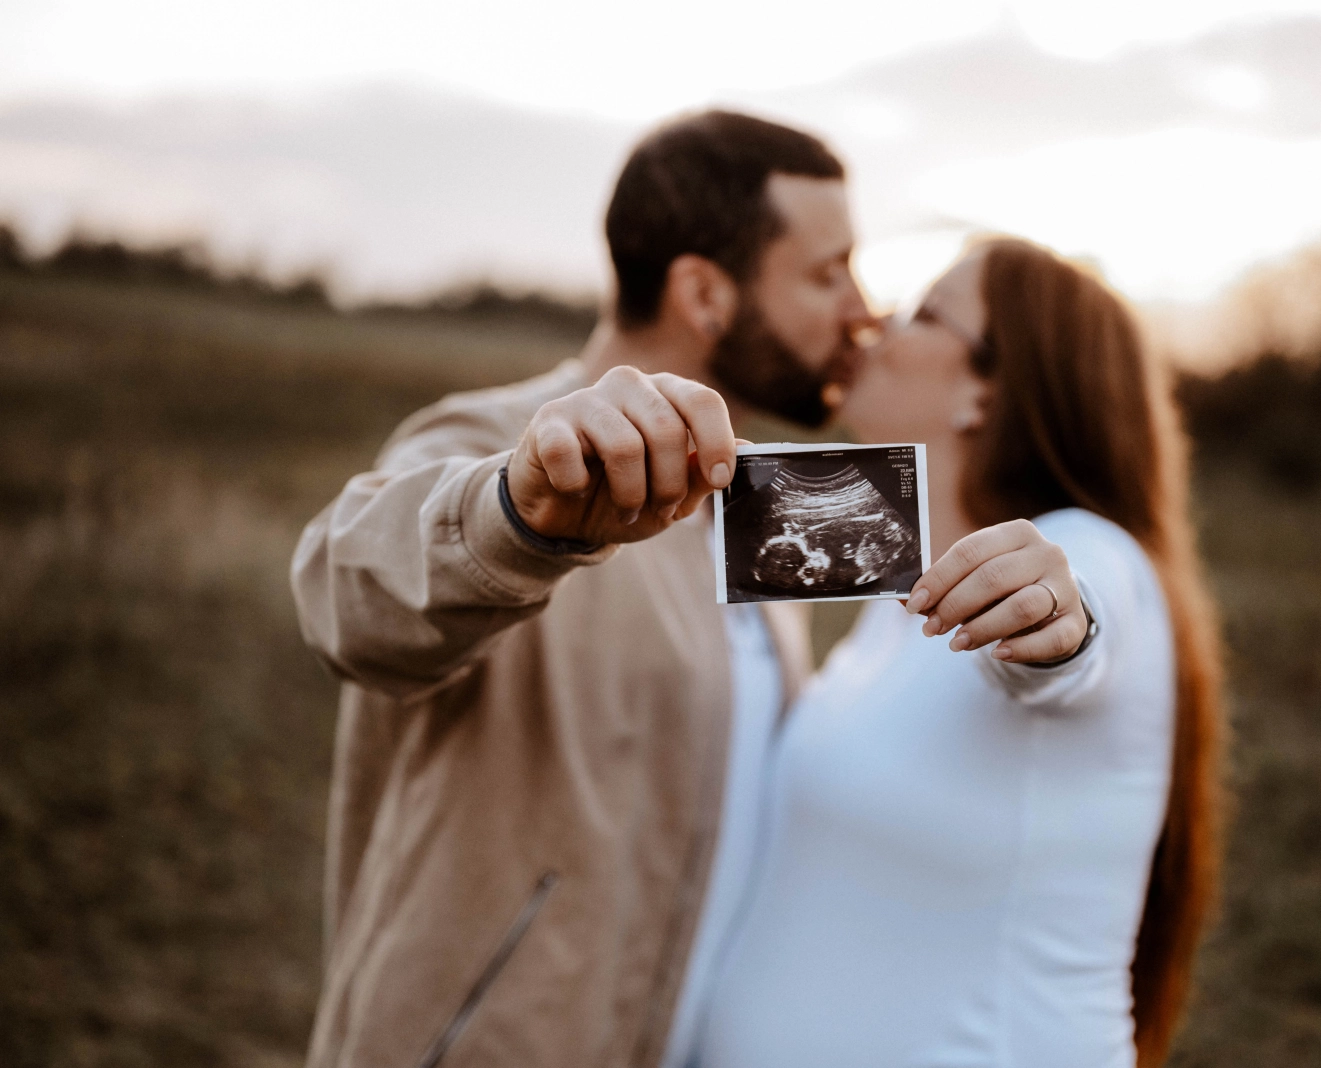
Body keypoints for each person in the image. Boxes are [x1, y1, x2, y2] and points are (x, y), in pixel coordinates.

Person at [290, 110, 876, 1068]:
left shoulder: (767, 497)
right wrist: (518, 514)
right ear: (704, 292)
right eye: (826, 272)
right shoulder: (495, 446)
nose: (860, 307)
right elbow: (344, 595)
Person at [694, 237, 1225, 1068]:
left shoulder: (1091, 553)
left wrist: (1061, 617)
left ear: (987, 387)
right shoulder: (896, 565)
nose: (875, 323)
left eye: (921, 311)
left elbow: (1076, 628)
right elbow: (669, 532)